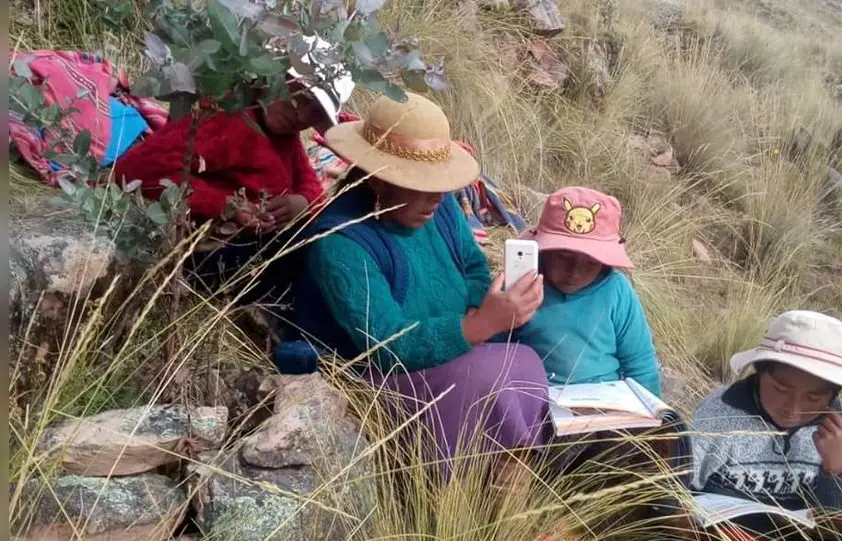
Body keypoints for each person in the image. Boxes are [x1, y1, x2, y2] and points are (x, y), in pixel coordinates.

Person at [291, 91, 551, 483]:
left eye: (439, 184)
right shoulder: (340, 242)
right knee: (486, 376)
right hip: (375, 377)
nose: (437, 196)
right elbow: (386, 345)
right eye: (420, 184)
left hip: (453, 346)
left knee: (523, 361)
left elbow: (472, 266)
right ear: (378, 179)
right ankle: (452, 492)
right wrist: (479, 326)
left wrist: (480, 312)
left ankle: (502, 491)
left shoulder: (440, 207)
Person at [112, 37, 354, 319]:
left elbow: (308, 183)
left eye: (315, 111)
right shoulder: (225, 116)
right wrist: (226, 204)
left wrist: (300, 202)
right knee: (301, 274)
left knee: (330, 247)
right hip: (210, 248)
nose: (302, 115)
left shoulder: (283, 133)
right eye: (299, 97)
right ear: (271, 77)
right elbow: (136, 170)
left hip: (261, 240)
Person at [687, 310, 842, 541]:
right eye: (781, 389)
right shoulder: (719, 413)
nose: (793, 408)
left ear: (834, 394)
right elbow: (681, 492)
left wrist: (837, 470)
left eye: (814, 397)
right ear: (760, 372)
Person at [514, 187, 662, 397]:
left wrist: (652, 421)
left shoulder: (616, 291)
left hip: (603, 405)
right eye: (563, 257)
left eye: (590, 263)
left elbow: (641, 364)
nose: (575, 272)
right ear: (542, 251)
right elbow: (494, 351)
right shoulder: (521, 284)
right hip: (532, 401)